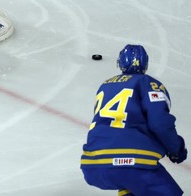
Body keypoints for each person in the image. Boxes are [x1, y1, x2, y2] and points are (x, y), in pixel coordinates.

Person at [80, 44, 187, 195]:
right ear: (145, 63)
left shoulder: (104, 86)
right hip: (131, 164)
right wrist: (176, 148)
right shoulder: (148, 83)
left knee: (131, 187)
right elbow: (160, 123)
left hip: (93, 165)